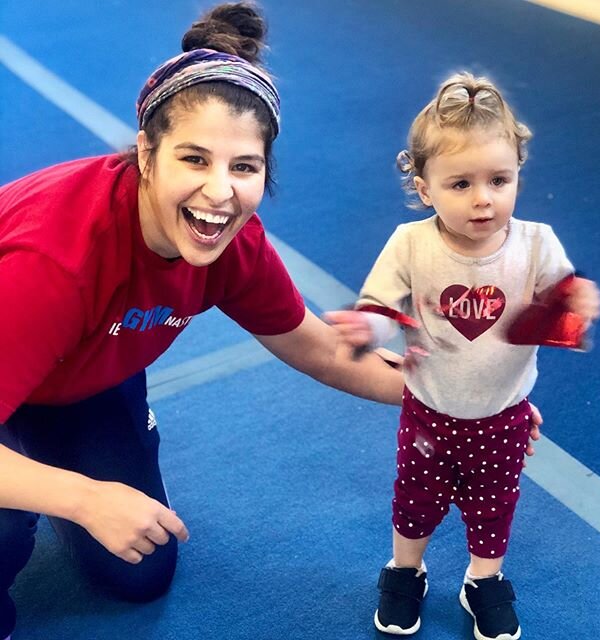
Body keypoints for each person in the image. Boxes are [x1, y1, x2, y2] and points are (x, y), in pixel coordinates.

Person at [0, 4, 415, 638]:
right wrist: (84, 498)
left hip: (79, 377)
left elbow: (322, 349)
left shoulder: (231, 244)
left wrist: (456, 394)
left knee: (138, 569)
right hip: (19, 336)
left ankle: (41, 458)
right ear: (146, 153)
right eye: (194, 159)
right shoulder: (55, 263)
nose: (220, 192)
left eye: (243, 167)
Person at [325, 72, 600, 639]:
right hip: (429, 411)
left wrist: (577, 300)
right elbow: (381, 308)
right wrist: (365, 327)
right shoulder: (410, 243)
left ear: (518, 174)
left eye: (499, 180)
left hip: (503, 415)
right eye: (460, 184)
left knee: (495, 505)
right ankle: (405, 568)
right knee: (414, 500)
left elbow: (559, 306)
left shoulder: (537, 244)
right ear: (424, 187)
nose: (483, 198)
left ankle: (483, 578)